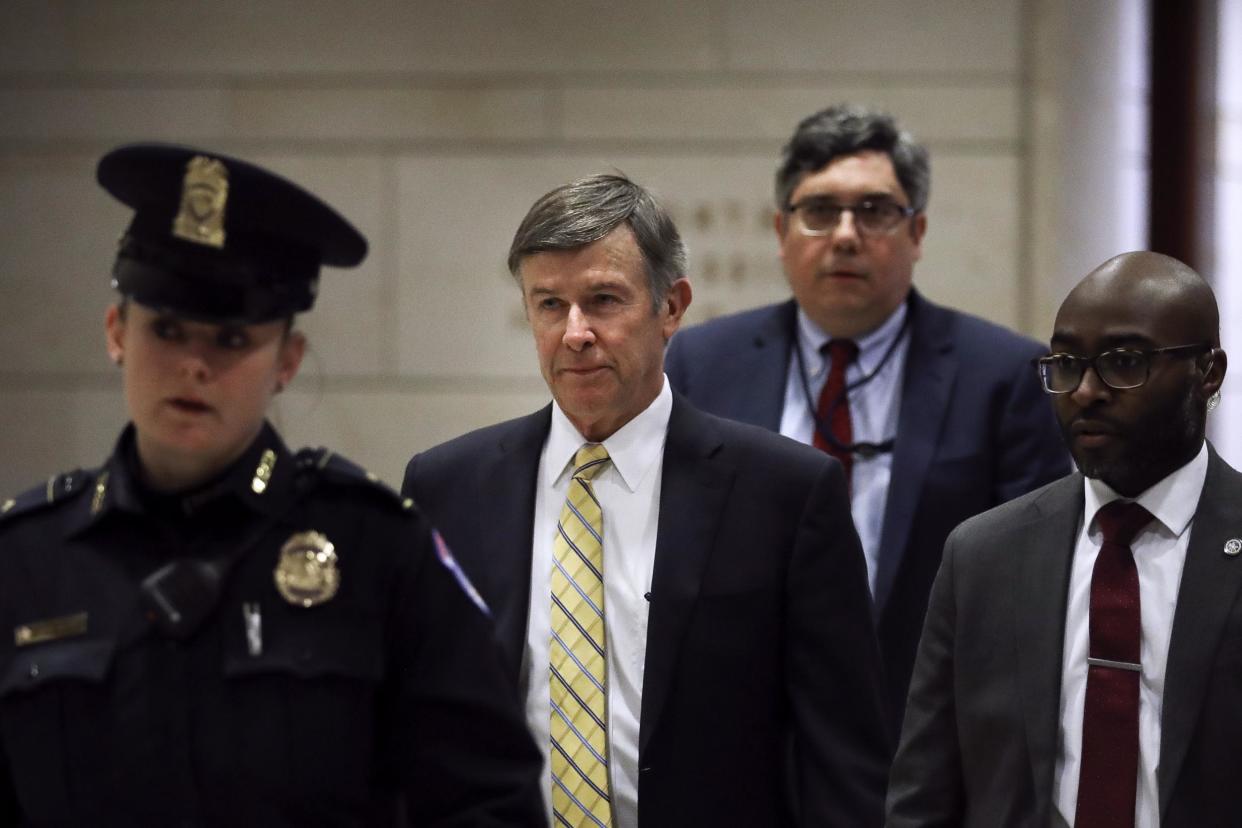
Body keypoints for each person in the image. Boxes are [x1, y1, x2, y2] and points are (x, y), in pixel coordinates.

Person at [0, 143, 543, 825]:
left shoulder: (377, 550)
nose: (193, 365)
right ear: (116, 333)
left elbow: (489, 800)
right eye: (166, 330)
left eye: (230, 341)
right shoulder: (25, 560)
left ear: (287, 359)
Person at [403, 173, 890, 827]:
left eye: (604, 300)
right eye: (550, 305)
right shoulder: (448, 488)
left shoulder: (785, 494)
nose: (575, 332)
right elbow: (416, 732)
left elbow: (844, 761)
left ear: (671, 307)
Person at [664, 103, 1070, 727]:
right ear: (781, 233)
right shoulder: (701, 364)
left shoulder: (1003, 376)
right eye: (820, 212)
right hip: (744, 728)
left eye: (875, 211)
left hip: (927, 730)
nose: (846, 235)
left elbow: (1034, 586)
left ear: (918, 232)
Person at [886, 251, 1236, 827]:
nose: (1086, 391)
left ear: (1208, 372)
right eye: (1067, 364)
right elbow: (925, 790)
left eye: (1125, 362)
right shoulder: (984, 555)